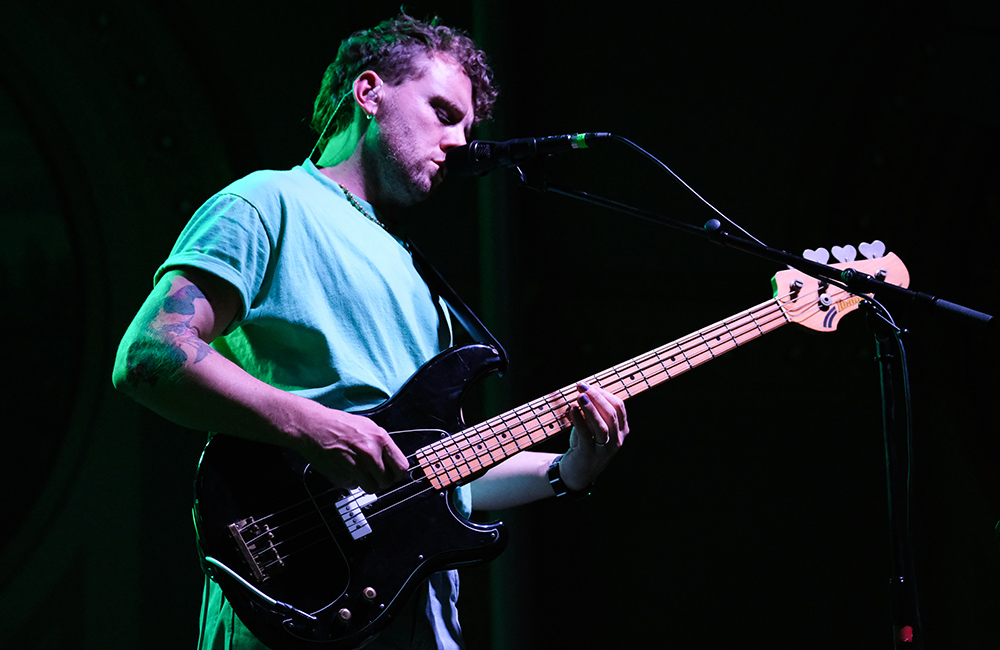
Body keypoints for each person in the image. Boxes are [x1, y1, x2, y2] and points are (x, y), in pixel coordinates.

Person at [112, 13, 628, 650]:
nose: (460, 143)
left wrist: (568, 468)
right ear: (369, 92)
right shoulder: (270, 202)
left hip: (419, 623)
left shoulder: (422, 281)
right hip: (295, 601)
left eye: (468, 127)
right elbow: (152, 351)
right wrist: (314, 425)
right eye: (443, 112)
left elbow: (439, 472)